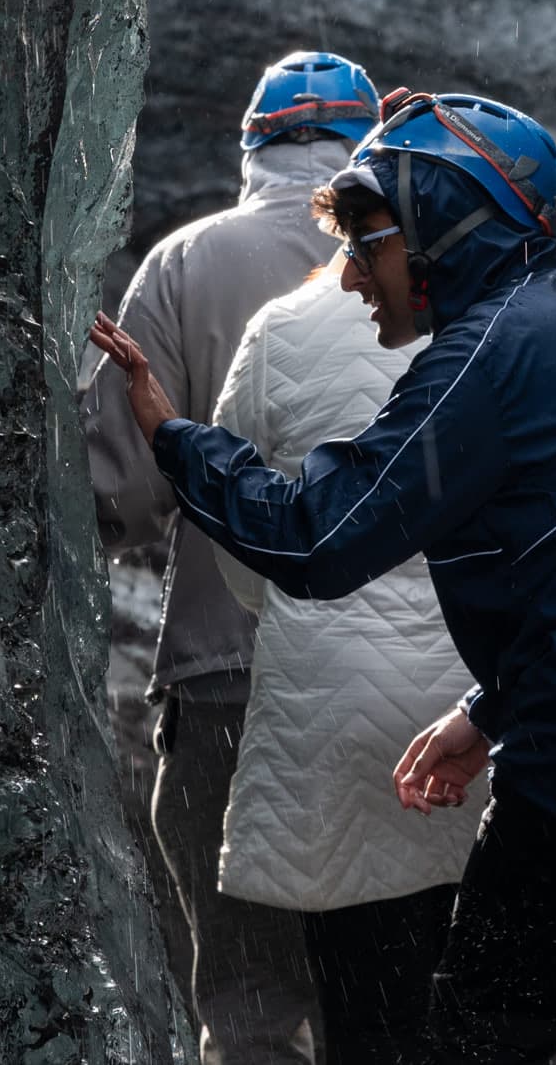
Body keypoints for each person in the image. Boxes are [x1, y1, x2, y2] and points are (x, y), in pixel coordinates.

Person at [88, 90, 556, 1065]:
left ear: (445, 234)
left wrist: (175, 436)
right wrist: (491, 710)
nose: (354, 278)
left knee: (474, 1037)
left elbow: (318, 537)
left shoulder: (484, 356)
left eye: (368, 245)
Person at [77, 49, 383, 1064]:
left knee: (250, 1007)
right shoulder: (420, 263)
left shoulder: (185, 260)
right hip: (392, 684)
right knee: (388, 994)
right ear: (365, 141)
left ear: (252, 146)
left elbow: (117, 487)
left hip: (227, 682)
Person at [207, 262, 475, 1065]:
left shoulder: (283, 326)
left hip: (332, 714)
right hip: (481, 704)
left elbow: (240, 526)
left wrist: (295, 613)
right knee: (484, 1008)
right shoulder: (498, 322)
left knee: (367, 1014)